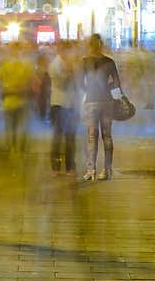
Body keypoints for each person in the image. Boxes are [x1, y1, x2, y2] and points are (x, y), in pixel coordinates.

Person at [79, 33, 122, 181]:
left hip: (91, 101)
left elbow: (80, 84)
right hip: (107, 102)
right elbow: (117, 83)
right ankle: (107, 170)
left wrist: (89, 89)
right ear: (101, 45)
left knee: (92, 136)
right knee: (107, 136)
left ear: (89, 45)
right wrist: (107, 88)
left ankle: (91, 170)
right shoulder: (109, 61)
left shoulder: (84, 62)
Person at [0, 44, 35, 153]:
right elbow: (30, 83)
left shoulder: (4, 65)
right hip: (22, 101)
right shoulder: (25, 66)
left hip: (9, 101)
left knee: (11, 127)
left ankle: (11, 147)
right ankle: (21, 148)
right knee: (21, 127)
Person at [48, 40, 79, 175]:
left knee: (70, 136)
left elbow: (79, 82)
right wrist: (70, 71)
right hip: (58, 104)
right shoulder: (55, 64)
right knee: (58, 136)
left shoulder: (74, 65)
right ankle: (55, 167)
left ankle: (70, 166)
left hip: (71, 104)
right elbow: (62, 82)